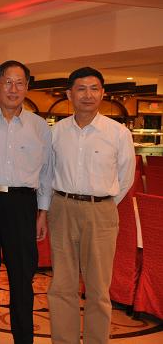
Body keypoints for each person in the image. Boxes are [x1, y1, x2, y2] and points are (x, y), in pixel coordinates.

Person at [48, 67, 135, 344]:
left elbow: (126, 178)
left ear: (103, 93)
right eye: (81, 89)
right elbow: (48, 173)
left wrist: (102, 204)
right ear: (69, 94)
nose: (88, 95)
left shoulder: (118, 133)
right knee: (62, 285)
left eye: (94, 88)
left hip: (101, 211)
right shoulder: (57, 132)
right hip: (62, 208)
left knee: (98, 287)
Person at [0, 60, 52, 344]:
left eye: (20, 83)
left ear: (27, 87)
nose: (13, 89)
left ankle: (23, 339)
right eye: (8, 82)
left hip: (22, 205)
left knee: (22, 279)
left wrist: (43, 212)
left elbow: (46, 173)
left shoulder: (40, 127)